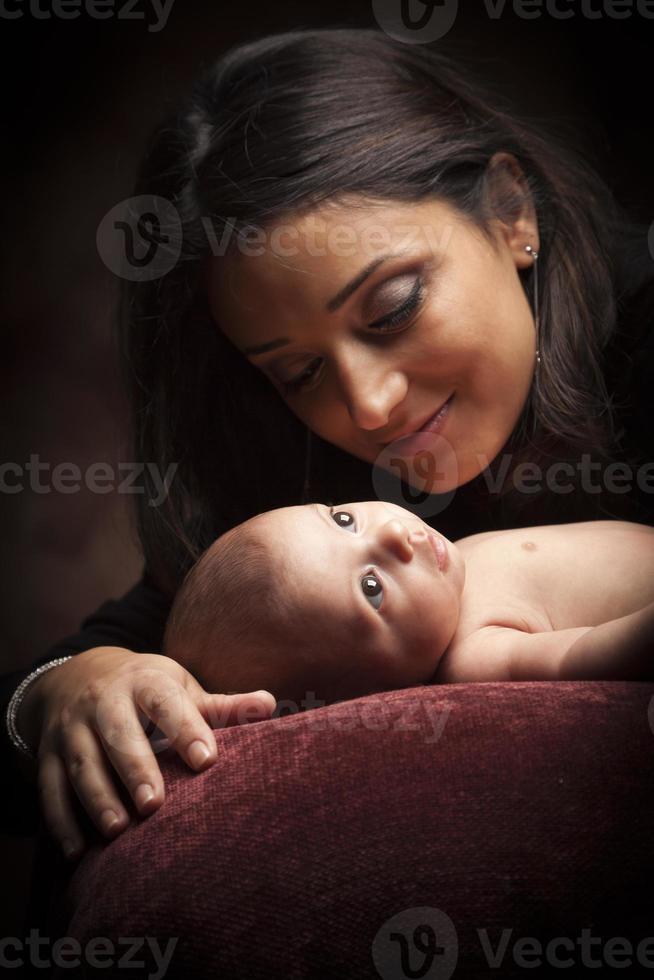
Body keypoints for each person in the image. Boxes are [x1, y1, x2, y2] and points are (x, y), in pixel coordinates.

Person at [3, 27, 653, 861]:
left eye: (393, 310)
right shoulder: (302, 484)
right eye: (300, 372)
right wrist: (62, 692)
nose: (371, 406)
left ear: (510, 213)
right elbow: (121, 653)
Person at [162, 501, 654, 707]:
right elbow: (587, 652)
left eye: (343, 521)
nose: (394, 533)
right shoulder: (473, 655)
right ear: (380, 689)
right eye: (372, 588)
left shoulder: (450, 579)